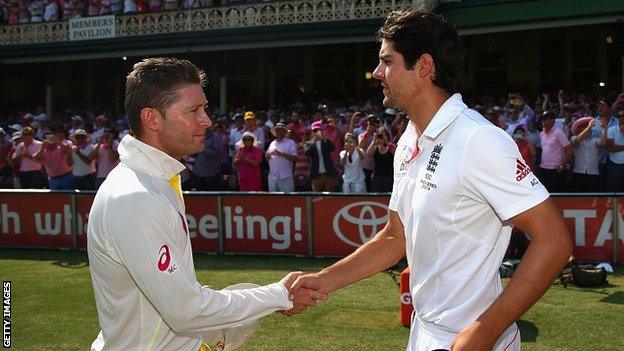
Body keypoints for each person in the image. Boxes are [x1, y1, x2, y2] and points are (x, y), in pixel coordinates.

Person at [288, 10, 572, 351]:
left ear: (423, 66)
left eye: (387, 61)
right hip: (423, 330)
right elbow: (396, 237)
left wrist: (485, 330)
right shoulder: (409, 137)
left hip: (473, 340)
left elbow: (554, 240)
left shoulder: (478, 139)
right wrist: (323, 280)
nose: (377, 73)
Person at [87, 58, 324, 351]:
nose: (207, 120)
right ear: (152, 119)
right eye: (193, 111)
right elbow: (186, 312)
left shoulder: (153, 180)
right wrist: (277, 295)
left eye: (204, 108)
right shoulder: (137, 196)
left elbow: (174, 303)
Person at [538, 111, 573, 192]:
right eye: (543, 118)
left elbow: (569, 149)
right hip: (543, 168)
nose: (543, 120)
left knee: (557, 194)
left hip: (555, 170)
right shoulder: (541, 134)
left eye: (546, 119)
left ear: (552, 120)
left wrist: (562, 165)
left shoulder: (558, 133)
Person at [305, 120, 339, 192]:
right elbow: (307, 153)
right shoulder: (310, 144)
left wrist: (324, 138)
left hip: (328, 174)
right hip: (316, 176)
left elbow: (332, 148)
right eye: (315, 131)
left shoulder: (325, 141)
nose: (317, 132)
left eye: (318, 130)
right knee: (317, 197)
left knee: (329, 196)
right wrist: (313, 141)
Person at [266, 122, 297, 192]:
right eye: (277, 130)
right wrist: (269, 154)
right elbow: (266, 157)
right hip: (272, 177)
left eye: (281, 130)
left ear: (284, 132)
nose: (279, 132)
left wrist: (282, 154)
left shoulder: (291, 142)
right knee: (274, 200)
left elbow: (295, 158)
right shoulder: (272, 143)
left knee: (288, 200)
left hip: (285, 176)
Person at [366, 127, 395, 192]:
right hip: (377, 177)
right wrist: (374, 140)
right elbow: (368, 153)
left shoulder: (390, 146)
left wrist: (386, 141)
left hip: (388, 177)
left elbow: (394, 153)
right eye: (380, 136)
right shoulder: (375, 148)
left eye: (384, 135)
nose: (382, 138)